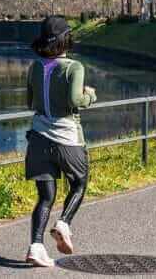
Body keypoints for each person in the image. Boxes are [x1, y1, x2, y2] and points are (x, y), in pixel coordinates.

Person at [23, 16, 97, 267]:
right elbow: (75, 101)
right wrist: (90, 96)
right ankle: (63, 223)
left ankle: (35, 246)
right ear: (67, 39)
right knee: (79, 183)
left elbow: (29, 102)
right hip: (67, 137)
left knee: (45, 197)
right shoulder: (74, 68)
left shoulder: (34, 67)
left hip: (39, 137)